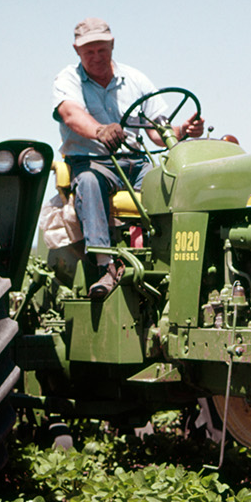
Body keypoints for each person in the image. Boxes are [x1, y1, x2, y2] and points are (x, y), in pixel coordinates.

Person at [53, 17, 203, 300]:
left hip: (136, 163)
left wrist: (184, 130)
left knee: (171, 184)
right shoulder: (68, 80)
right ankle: (104, 265)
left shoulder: (135, 80)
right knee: (87, 182)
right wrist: (100, 130)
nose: (96, 57)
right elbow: (71, 114)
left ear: (112, 45)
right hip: (93, 162)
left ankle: (171, 259)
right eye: (89, 52)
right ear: (77, 51)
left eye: (102, 50)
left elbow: (158, 132)